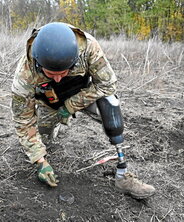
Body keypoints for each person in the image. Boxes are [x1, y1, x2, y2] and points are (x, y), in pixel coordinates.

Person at [11, 22, 155, 199]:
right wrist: (40, 161)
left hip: (83, 93)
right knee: (42, 136)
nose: (57, 79)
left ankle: (122, 175)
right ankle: (48, 138)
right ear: (39, 65)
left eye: (63, 73)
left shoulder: (88, 48)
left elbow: (108, 84)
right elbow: (23, 120)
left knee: (111, 105)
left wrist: (70, 106)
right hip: (49, 103)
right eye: (50, 74)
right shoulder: (25, 73)